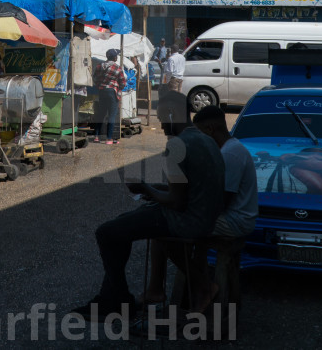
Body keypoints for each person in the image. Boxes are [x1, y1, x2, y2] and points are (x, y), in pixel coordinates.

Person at [70, 102, 225, 323]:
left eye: (163, 121)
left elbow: (176, 201)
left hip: (186, 221)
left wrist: (145, 189)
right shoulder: (206, 141)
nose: (161, 127)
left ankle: (118, 302)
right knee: (120, 225)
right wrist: (151, 188)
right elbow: (187, 189)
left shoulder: (178, 145)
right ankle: (111, 297)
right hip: (205, 217)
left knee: (106, 233)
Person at [144, 105, 258, 310]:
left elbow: (220, 201)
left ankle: (193, 287)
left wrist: (178, 203)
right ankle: (183, 287)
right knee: (168, 222)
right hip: (228, 215)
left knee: (165, 228)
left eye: (200, 133)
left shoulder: (230, 155)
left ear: (211, 129)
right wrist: (164, 190)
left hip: (235, 220)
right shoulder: (226, 150)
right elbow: (203, 191)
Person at [92, 48, 127, 144]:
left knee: (101, 114)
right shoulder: (117, 67)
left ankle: (96, 136)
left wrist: (100, 85)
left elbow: (94, 78)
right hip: (112, 92)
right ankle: (109, 138)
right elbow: (123, 83)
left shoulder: (99, 66)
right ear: (115, 57)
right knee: (112, 115)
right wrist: (118, 87)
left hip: (102, 91)